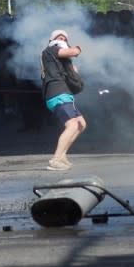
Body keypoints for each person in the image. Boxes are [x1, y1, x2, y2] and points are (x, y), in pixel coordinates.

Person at [40, 29, 86, 171]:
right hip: (57, 93)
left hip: (64, 93)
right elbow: (73, 52)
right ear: (53, 40)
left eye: (65, 38)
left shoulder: (61, 60)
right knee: (72, 125)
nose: (63, 39)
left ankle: (62, 156)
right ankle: (56, 159)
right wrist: (78, 48)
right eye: (59, 37)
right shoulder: (50, 50)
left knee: (81, 124)